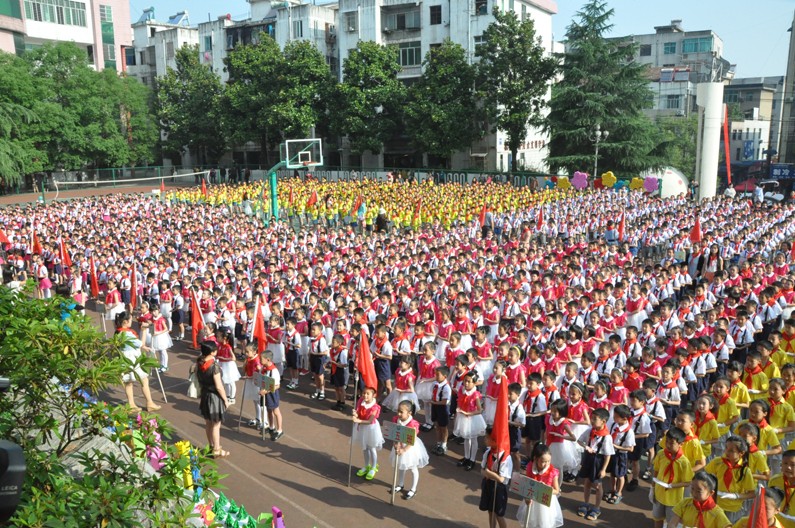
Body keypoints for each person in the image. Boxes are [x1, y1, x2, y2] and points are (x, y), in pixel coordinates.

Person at [115, 311, 161, 413]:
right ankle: (149, 403)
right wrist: (144, 331)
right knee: (144, 380)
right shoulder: (127, 333)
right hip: (133, 359)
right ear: (126, 321)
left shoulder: (118, 331)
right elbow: (141, 343)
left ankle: (131, 404)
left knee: (128, 382)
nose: (132, 322)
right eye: (131, 320)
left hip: (125, 358)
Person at [576, 407, 615, 521]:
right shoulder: (590, 431)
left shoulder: (606, 437)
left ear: (603, 421)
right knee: (587, 482)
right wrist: (586, 447)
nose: (591, 421)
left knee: (598, 486)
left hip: (598, 461)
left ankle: (597, 508)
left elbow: (608, 455)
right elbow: (579, 440)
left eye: (594, 419)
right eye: (591, 418)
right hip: (588, 458)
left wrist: (603, 469)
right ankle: (586, 503)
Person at [516, 443, 563, 528]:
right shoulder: (530, 467)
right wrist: (526, 498)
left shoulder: (553, 472)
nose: (546, 464)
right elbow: (527, 484)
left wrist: (546, 488)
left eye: (549, 461)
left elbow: (556, 490)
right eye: (543, 461)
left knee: (544, 523)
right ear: (536, 459)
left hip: (545, 502)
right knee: (531, 522)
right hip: (532, 499)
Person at [388, 401, 429, 499]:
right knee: (401, 465)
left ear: (409, 413)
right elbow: (394, 433)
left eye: (401, 412)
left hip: (409, 448)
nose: (398, 414)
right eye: (398, 411)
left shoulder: (413, 424)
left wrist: (404, 450)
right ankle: (400, 484)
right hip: (399, 444)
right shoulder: (396, 419)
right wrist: (395, 444)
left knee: (412, 468)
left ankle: (413, 489)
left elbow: (412, 440)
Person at [196, 341, 229, 458]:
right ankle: (217, 449)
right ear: (213, 352)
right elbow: (219, 386)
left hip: (205, 394)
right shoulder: (214, 367)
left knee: (208, 423)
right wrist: (225, 399)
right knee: (216, 424)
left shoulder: (199, 362)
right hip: (214, 397)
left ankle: (211, 445)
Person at [478, 433, 513, 528]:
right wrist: (490, 474)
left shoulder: (505, 457)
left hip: (499, 489)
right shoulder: (488, 452)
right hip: (488, 484)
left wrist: (488, 473)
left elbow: (501, 479)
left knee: (498, 514)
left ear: (494, 441)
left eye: (487, 438)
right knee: (490, 511)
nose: (485, 439)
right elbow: (482, 470)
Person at [454, 372, 487, 470]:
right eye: (465, 381)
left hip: (473, 419)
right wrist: (458, 409)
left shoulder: (475, 394)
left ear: (474, 383)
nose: (466, 383)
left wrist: (469, 414)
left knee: (473, 439)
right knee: (466, 438)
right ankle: (466, 457)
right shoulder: (462, 390)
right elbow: (459, 401)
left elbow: (480, 410)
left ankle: (472, 460)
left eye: (469, 381)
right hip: (463, 417)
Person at [352, 386, 384, 481]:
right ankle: (366, 465)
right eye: (364, 393)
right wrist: (355, 414)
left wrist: (358, 420)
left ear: (373, 395)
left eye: (367, 394)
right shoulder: (361, 402)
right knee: (364, 447)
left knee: (371, 448)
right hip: (362, 427)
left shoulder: (375, 407)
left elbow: (370, 421)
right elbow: (358, 412)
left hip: (371, 428)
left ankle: (374, 466)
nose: (365, 395)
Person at [260, 350, 284, 441]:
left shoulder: (274, 371)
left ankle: (280, 430)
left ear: (268, 359)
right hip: (266, 392)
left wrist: (265, 391)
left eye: (261, 359)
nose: (260, 360)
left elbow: (277, 385)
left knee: (276, 411)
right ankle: (271, 427)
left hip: (272, 393)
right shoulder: (265, 368)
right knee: (268, 410)